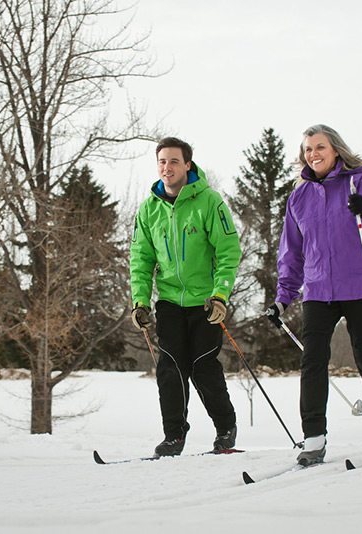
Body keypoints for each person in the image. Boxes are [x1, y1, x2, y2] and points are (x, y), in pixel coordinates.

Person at [266, 124, 362, 466]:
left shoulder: (357, 182)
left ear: (335, 150)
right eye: (308, 149)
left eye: (320, 147)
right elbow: (291, 253)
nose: (313, 154)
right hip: (318, 289)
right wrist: (283, 297)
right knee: (312, 361)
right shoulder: (298, 198)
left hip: (359, 286)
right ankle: (314, 437)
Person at [130, 137, 241, 456]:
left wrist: (220, 295)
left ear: (187, 165)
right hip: (169, 302)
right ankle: (173, 436)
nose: (167, 167)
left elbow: (228, 251)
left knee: (203, 366)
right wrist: (140, 301)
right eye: (162, 161)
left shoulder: (209, 201)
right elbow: (140, 259)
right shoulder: (148, 209)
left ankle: (225, 428)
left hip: (205, 303)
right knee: (170, 368)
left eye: (174, 161)